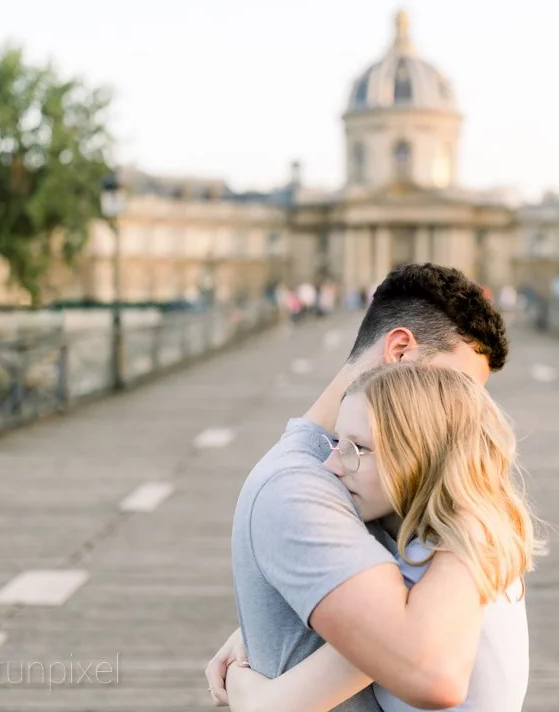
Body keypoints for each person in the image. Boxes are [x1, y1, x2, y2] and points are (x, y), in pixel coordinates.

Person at [206, 263, 511, 711]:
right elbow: (429, 669)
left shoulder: (391, 486)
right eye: (452, 384)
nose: (463, 412)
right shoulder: (301, 485)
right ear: (401, 351)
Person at [221, 362, 540, 711]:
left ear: (420, 453)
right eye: (335, 443)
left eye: (356, 449)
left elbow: (269, 708)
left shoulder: (428, 576)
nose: (330, 466)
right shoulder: (463, 546)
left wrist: (236, 678)